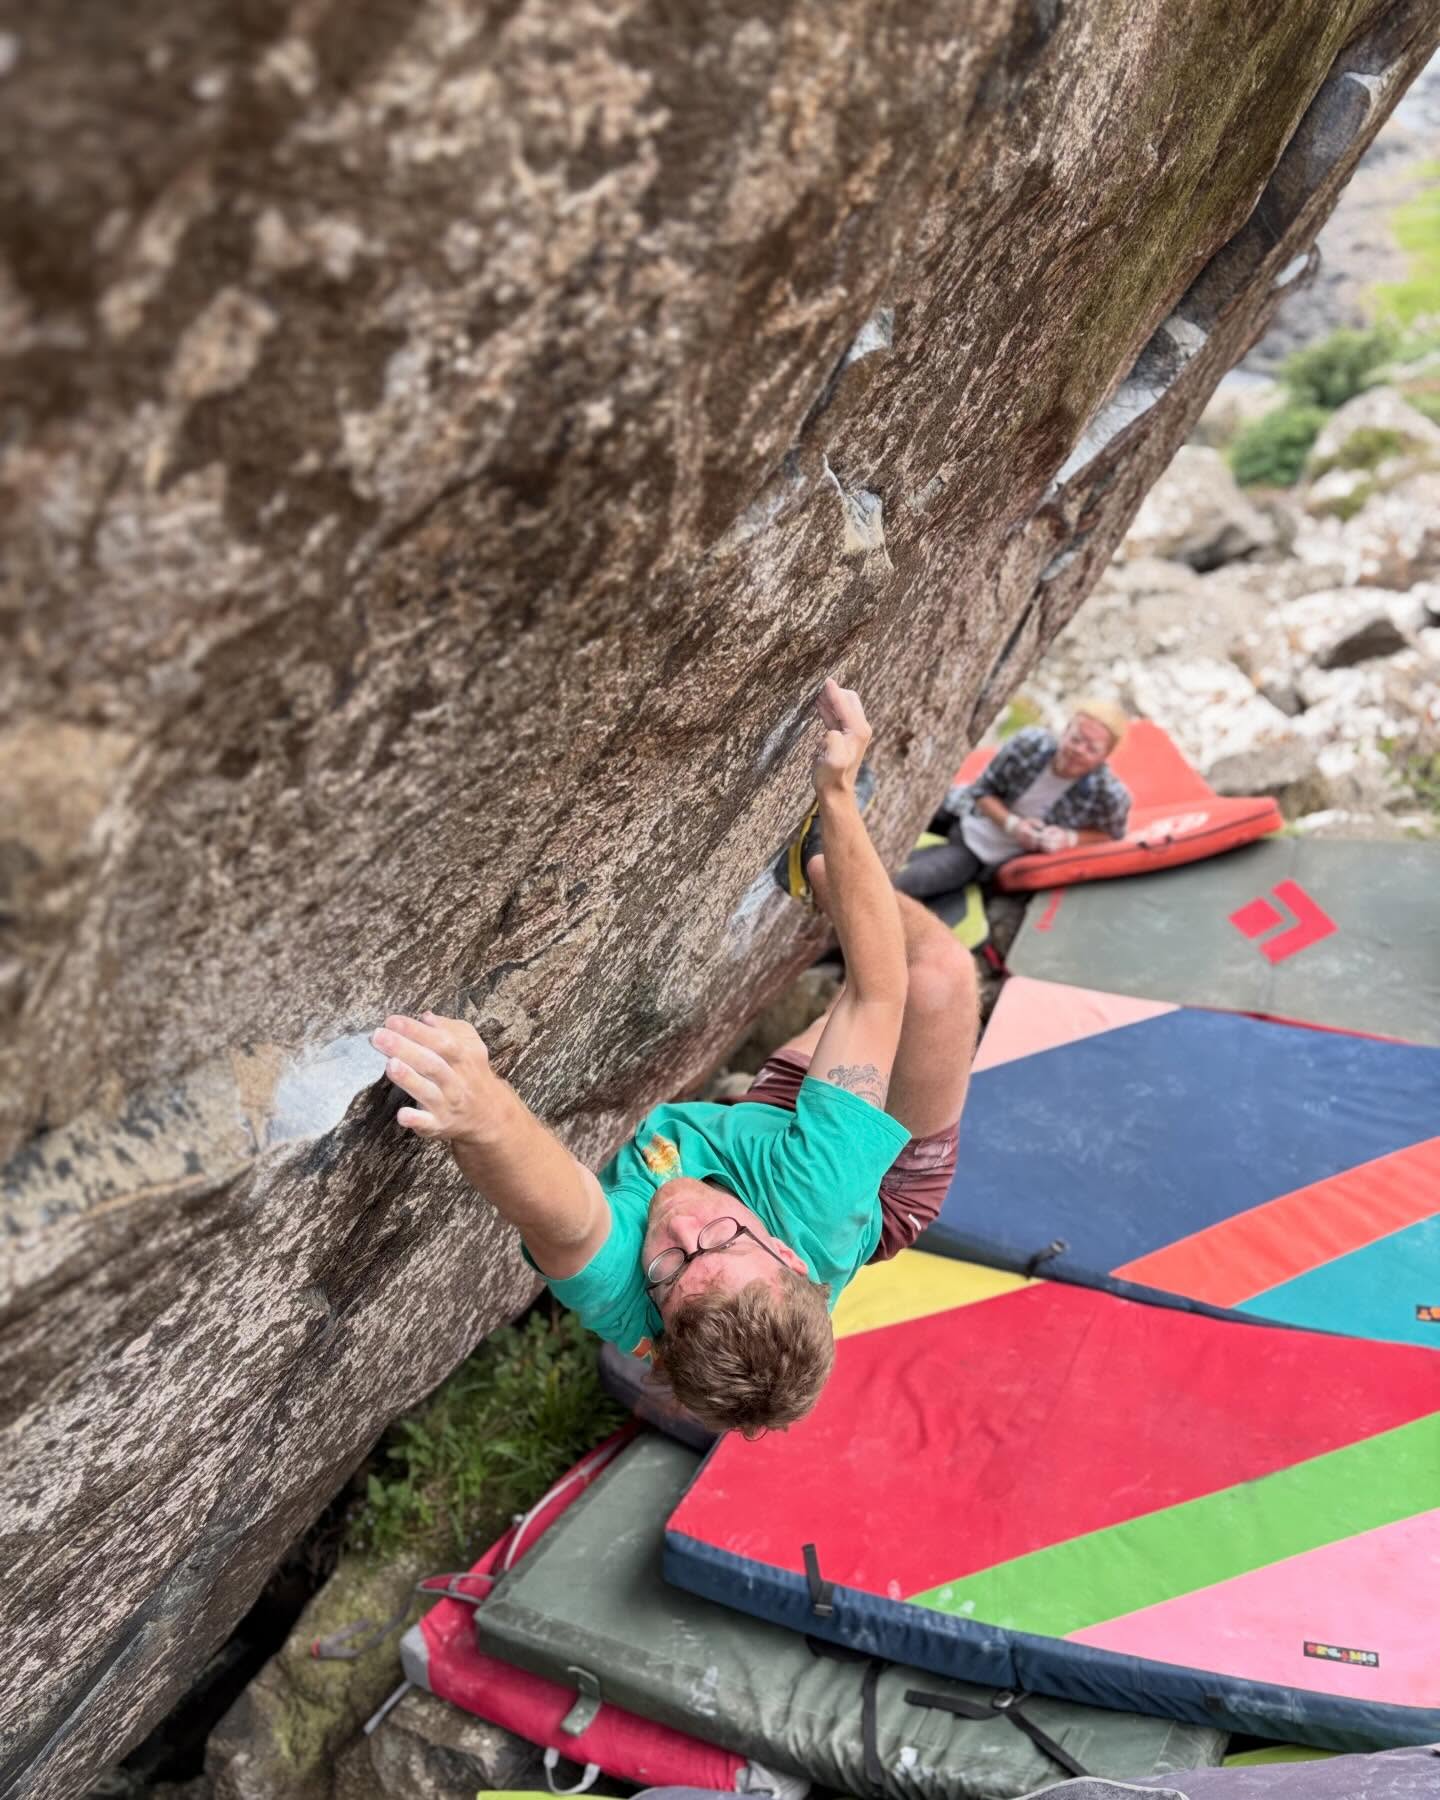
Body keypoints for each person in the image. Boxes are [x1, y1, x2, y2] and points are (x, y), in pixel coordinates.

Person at [371, 680, 977, 1437]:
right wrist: (838, 792)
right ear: (787, 1254)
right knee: (939, 979)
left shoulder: (624, 1293)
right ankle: (820, 868)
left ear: (652, 1322)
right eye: (722, 1241)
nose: (685, 1227)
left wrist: (477, 1110)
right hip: (872, 1190)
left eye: (672, 1272)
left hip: (761, 1145)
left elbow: (566, 1214)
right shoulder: (826, 1195)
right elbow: (874, 997)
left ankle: (827, 882)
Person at [894, 700, 1132, 900]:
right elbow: (981, 790)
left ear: (1105, 755)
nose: (1079, 750)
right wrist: (1014, 825)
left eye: (1092, 748)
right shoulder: (1030, 744)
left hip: (980, 852)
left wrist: (1068, 838)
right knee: (895, 806)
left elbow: (1112, 835)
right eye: (1076, 739)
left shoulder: (1108, 794)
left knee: (903, 882)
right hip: (962, 808)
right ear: (1066, 730)